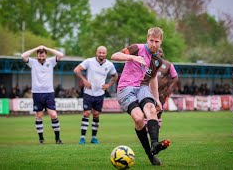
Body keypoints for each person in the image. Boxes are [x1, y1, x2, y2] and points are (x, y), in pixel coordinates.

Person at [111, 27, 170, 166]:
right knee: (138, 119)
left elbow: (153, 79)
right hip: (126, 87)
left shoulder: (157, 60)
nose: (153, 44)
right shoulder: (136, 48)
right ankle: (150, 155)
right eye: (151, 41)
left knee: (151, 109)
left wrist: (156, 99)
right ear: (147, 39)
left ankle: (155, 143)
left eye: (156, 41)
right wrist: (132, 57)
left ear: (160, 42)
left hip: (143, 87)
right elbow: (114, 56)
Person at [74, 46, 118, 144]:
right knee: (86, 113)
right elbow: (77, 70)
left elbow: (115, 76)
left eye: (103, 53)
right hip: (88, 93)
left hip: (100, 93)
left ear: (106, 54)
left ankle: (94, 137)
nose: (101, 54)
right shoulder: (89, 61)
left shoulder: (109, 65)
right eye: (100, 52)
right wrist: (84, 80)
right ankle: (82, 137)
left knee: (96, 114)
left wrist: (109, 85)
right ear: (96, 53)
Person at [21, 45, 64, 144]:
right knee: (39, 115)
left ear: (45, 55)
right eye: (39, 54)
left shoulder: (51, 61)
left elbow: (61, 55)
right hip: (37, 93)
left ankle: (57, 139)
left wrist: (47, 48)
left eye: (43, 54)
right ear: (37, 55)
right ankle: (41, 139)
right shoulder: (33, 62)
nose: (41, 56)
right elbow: (23, 55)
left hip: (49, 92)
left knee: (53, 115)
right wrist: (36, 48)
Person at [144, 48, 178, 128]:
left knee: (158, 113)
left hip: (161, 93)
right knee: (146, 112)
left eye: (160, 51)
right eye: (156, 51)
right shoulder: (147, 63)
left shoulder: (168, 65)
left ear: (162, 54)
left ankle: (156, 132)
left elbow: (175, 78)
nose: (158, 53)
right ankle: (146, 132)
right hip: (147, 92)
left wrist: (169, 89)